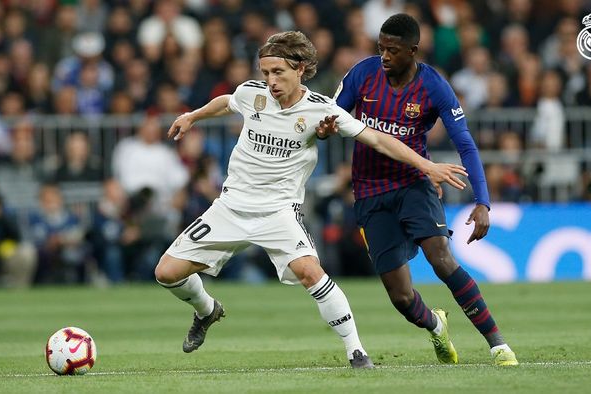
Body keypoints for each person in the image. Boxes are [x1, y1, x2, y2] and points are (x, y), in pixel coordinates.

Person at [153, 31, 468, 369]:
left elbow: (377, 139)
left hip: (278, 211)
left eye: (279, 72)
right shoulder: (252, 94)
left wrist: (426, 164)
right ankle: (207, 311)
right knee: (166, 272)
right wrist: (193, 116)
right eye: (266, 73)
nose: (271, 81)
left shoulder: (321, 111)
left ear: (300, 69)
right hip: (230, 207)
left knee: (309, 271)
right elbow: (227, 101)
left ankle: (356, 352)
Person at [328, 13, 518, 366]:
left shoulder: (433, 86)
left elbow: (466, 143)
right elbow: (330, 115)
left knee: (442, 259)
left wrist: (483, 202)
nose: (384, 56)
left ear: (413, 51)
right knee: (401, 297)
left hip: (414, 183)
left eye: (393, 50)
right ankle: (435, 325)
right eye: (380, 48)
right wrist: (324, 127)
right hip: (369, 192)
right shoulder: (362, 74)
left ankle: (498, 345)